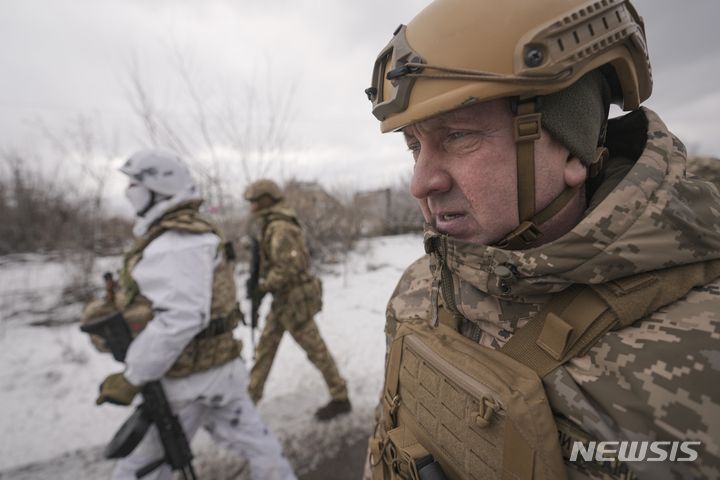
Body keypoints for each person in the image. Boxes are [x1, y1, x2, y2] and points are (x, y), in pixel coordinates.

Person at [362, 1, 720, 479]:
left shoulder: (702, 345)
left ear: (570, 147)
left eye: (459, 136)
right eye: (414, 146)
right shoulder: (421, 287)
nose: (420, 182)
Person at [91, 150, 297, 480]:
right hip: (219, 372)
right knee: (262, 450)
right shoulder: (190, 231)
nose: (129, 190)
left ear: (158, 187)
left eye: (135, 183)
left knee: (135, 471)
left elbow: (181, 318)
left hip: (187, 382)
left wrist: (133, 377)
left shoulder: (176, 241)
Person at [244, 179, 351, 421]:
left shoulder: (280, 227)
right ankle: (248, 402)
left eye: (253, 201)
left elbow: (290, 267)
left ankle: (340, 397)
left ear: (266, 200)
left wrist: (263, 286)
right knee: (265, 350)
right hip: (283, 301)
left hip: (294, 303)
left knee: (316, 351)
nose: (250, 207)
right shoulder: (270, 224)